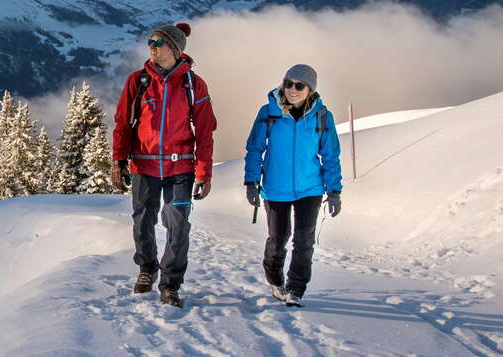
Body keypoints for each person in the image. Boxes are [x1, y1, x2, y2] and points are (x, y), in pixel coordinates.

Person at [111, 22, 217, 307]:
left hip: (180, 169)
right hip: (143, 167)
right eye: (150, 41)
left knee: (178, 226)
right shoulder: (138, 80)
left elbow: (205, 131)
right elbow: (123, 123)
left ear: (175, 48)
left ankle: (170, 284)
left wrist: (204, 173)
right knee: (143, 222)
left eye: (158, 42)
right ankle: (147, 269)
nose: (152, 46)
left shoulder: (194, 84)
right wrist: (118, 160)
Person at [243, 63, 343, 307]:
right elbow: (255, 148)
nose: (292, 89)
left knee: (304, 239)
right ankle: (275, 278)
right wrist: (251, 181)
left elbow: (330, 155)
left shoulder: (322, 116)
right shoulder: (269, 112)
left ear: (310, 89)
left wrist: (334, 190)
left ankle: (296, 289)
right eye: (288, 83)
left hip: (310, 188)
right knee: (278, 237)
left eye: (299, 85)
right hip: (276, 187)